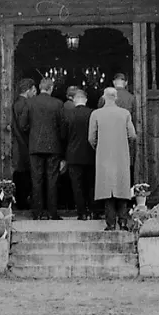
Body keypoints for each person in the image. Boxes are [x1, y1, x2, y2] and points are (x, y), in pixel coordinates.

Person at [88, 87, 136, 230]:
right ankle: (123, 222)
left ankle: (110, 223)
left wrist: (99, 147)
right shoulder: (125, 113)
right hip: (121, 154)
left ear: (103, 97)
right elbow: (132, 135)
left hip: (104, 155)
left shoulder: (96, 114)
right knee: (121, 188)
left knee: (107, 189)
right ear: (116, 98)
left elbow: (91, 138)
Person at [21, 76, 65, 220]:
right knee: (52, 180)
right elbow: (63, 127)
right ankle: (52, 212)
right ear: (51, 88)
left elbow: (23, 125)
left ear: (40, 88)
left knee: (36, 179)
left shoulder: (30, 102)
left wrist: (32, 133)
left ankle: (37, 212)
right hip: (53, 147)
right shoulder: (58, 104)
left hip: (35, 146)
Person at [61, 88, 95, 220]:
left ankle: (81, 212)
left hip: (73, 155)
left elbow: (63, 136)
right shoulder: (92, 113)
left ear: (74, 100)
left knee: (77, 185)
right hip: (90, 154)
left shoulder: (68, 115)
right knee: (91, 184)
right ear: (85, 100)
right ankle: (92, 209)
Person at [10, 79, 36, 212]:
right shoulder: (24, 104)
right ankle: (22, 203)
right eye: (34, 90)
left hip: (20, 144)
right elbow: (23, 125)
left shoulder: (17, 102)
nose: (35, 93)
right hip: (24, 144)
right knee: (24, 175)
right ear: (28, 90)